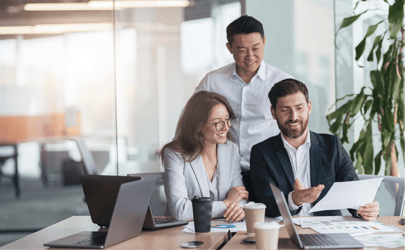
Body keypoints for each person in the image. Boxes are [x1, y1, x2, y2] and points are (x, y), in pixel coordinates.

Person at [250, 79, 380, 221]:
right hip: (285, 230)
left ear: (309, 107)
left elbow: (353, 191)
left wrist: (365, 210)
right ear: (273, 112)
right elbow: (266, 203)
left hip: (327, 230)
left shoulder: (332, 146)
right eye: (285, 110)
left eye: (299, 108)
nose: (294, 116)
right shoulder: (261, 152)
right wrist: (294, 199)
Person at [195, 15, 292, 202]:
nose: (250, 56)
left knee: (271, 223)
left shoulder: (282, 82)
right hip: (224, 173)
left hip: (269, 171)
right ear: (229, 48)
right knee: (225, 223)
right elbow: (191, 120)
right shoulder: (213, 81)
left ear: (264, 42)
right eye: (241, 50)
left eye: (256, 48)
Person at [161, 91, 248, 222]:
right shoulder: (174, 154)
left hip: (223, 229)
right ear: (198, 126)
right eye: (218, 122)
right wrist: (226, 204)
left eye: (227, 119)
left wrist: (239, 208)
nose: (226, 127)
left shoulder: (231, 150)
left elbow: (240, 196)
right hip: (183, 234)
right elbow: (180, 210)